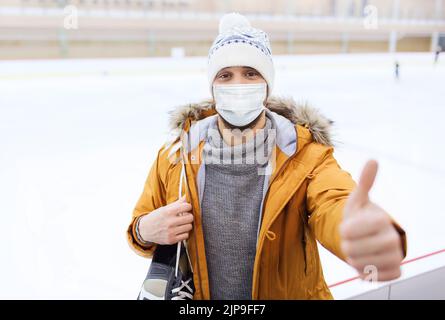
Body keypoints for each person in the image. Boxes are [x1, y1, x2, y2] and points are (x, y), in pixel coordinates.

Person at [127, 13, 407, 300]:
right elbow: (140, 227)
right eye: (225, 75)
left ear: (267, 85)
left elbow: (334, 201)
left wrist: (356, 228)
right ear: (212, 88)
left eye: (250, 73)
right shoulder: (176, 156)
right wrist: (145, 229)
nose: (238, 85)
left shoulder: (305, 153)